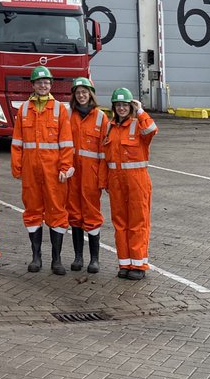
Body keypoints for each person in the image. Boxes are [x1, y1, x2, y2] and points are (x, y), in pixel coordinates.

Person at [11, 66, 75, 274]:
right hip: (31, 170)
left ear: (51, 85)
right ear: (32, 85)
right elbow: (17, 141)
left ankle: (56, 260)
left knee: (57, 211)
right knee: (32, 212)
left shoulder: (59, 109)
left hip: (54, 171)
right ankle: (36, 257)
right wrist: (17, 166)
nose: (43, 85)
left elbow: (66, 142)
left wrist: (65, 167)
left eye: (46, 82)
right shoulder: (23, 109)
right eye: (39, 82)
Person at [106, 88, 158, 279]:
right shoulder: (110, 127)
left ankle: (139, 265)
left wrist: (141, 110)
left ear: (130, 107)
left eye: (125, 105)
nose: (121, 108)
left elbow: (152, 130)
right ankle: (125, 263)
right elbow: (106, 158)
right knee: (120, 223)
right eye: (118, 105)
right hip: (116, 181)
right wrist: (105, 182)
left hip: (137, 181)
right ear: (114, 107)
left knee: (138, 222)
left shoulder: (139, 126)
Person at [67, 76, 109, 274]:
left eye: (84, 92)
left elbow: (105, 152)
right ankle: (78, 257)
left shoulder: (101, 117)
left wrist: (102, 178)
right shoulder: (69, 115)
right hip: (73, 173)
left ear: (90, 94)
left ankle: (94, 259)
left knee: (92, 215)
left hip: (91, 175)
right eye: (78, 92)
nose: (81, 95)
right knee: (74, 214)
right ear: (74, 96)